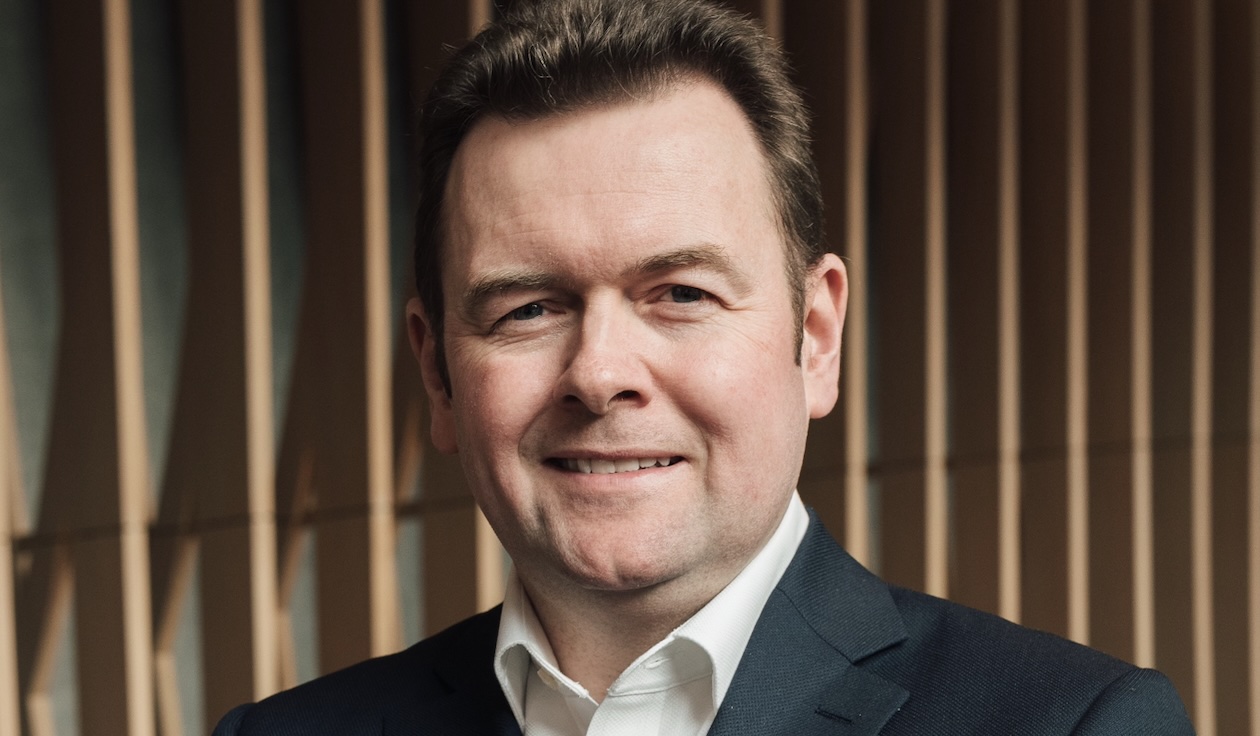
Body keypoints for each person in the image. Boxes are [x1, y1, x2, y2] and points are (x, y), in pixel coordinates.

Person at [214, 0, 1194, 733]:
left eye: (680, 293)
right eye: (529, 308)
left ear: (816, 335)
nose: (600, 373)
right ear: (436, 374)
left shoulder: (1073, 724)